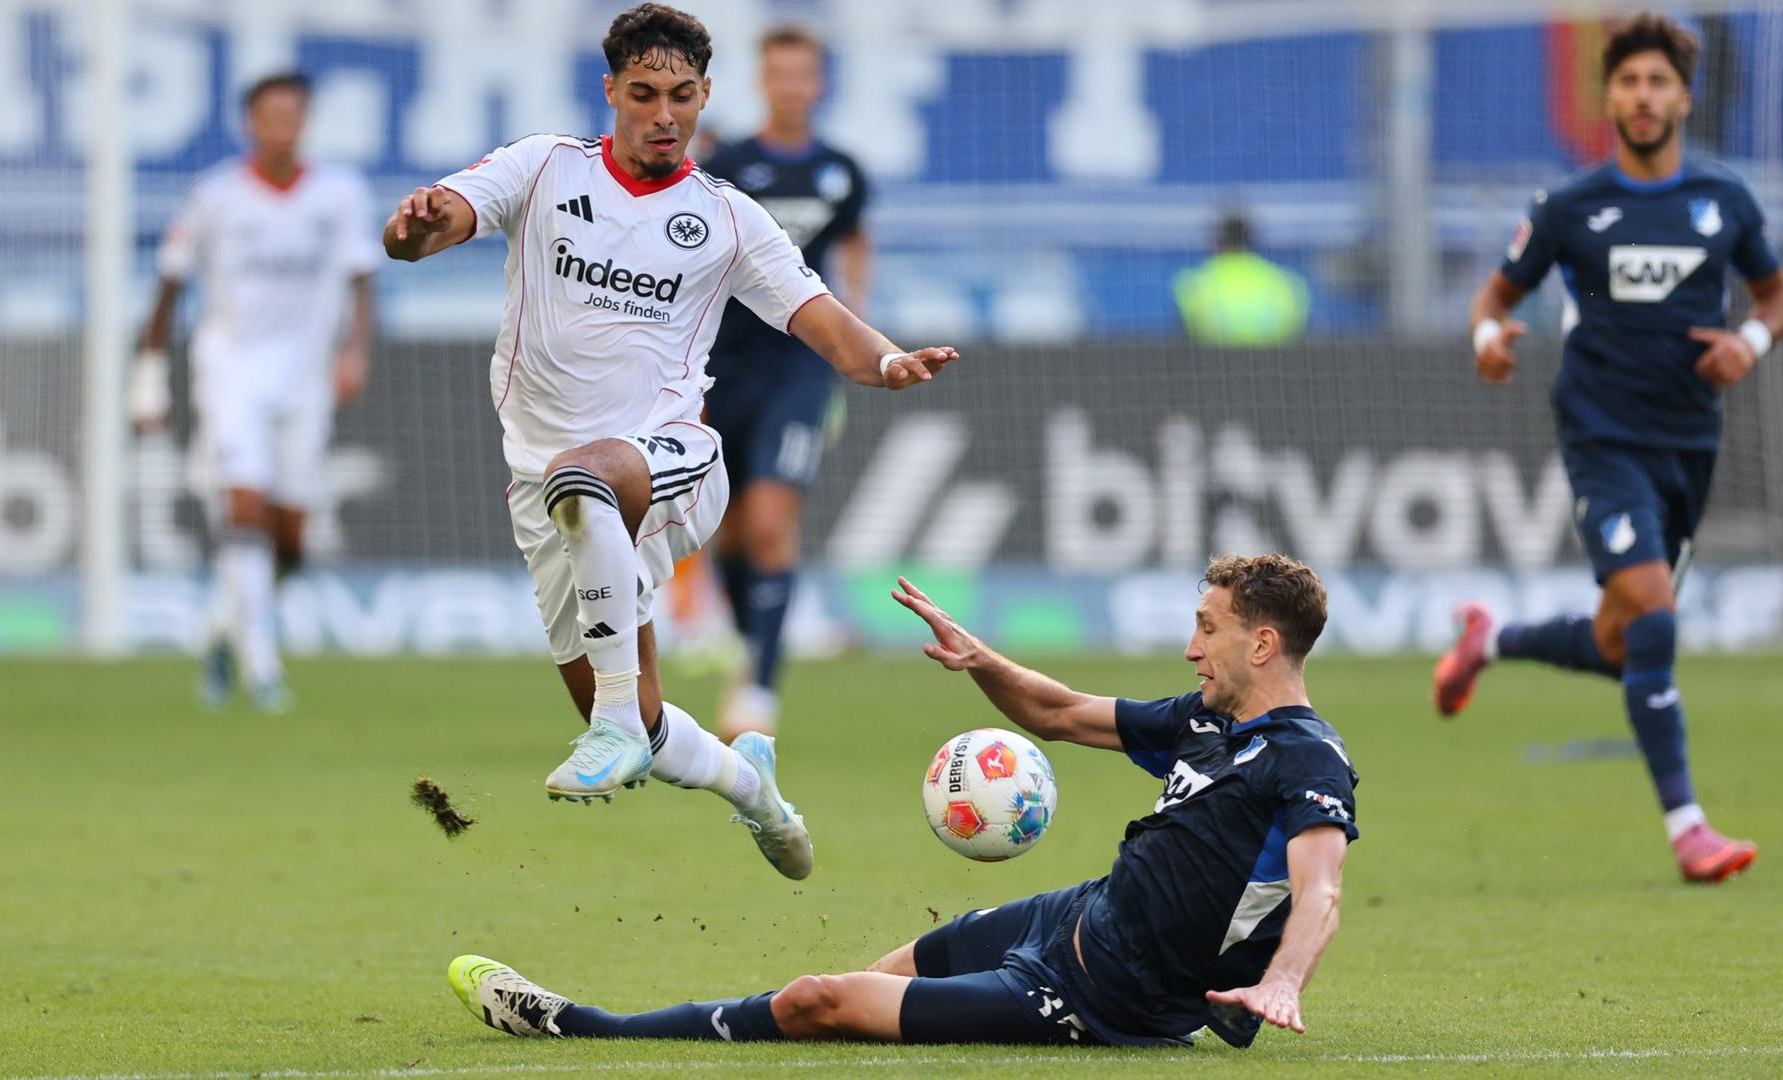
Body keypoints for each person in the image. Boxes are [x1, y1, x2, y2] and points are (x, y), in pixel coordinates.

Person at [380, 4, 956, 880]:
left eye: (681, 96)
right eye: (643, 93)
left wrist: (886, 361)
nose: (663, 114)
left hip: (674, 460)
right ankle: (751, 786)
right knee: (642, 719)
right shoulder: (543, 168)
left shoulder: (728, 217)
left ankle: (616, 725)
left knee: (587, 490)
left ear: (705, 96)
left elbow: (823, 320)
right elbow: (438, 220)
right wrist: (415, 228)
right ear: (610, 90)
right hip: (545, 492)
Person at [445, 554, 1357, 1048]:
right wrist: (980, 658)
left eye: (1209, 629)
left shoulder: (1305, 760)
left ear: (1264, 644)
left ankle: (587, 1028)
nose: (1192, 647)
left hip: (1100, 993)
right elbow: (1058, 713)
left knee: (820, 1001)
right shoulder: (1203, 720)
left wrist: (1280, 983)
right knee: (881, 973)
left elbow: (1319, 891)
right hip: (1082, 912)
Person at [1438, 13, 1780, 883]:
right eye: (1628, 81)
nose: (1642, 96)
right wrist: (1487, 339)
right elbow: (1493, 297)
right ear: (1610, 95)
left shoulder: (1724, 202)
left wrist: (1750, 343)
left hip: (1690, 442)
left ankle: (1491, 639)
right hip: (1602, 438)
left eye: (1657, 82)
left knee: (1627, 642)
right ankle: (1689, 828)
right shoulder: (1571, 207)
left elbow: (1774, 296)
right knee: (1657, 619)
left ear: (1683, 96)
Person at [130, 72, 379, 713]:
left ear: (305, 122)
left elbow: (360, 279)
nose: (282, 127)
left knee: (291, 539)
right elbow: (169, 284)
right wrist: (149, 379)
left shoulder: (341, 193)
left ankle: (223, 633)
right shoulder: (215, 195)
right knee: (244, 510)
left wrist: (354, 351)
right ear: (251, 124)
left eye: (294, 115)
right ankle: (264, 670)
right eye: (270, 116)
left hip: (305, 378)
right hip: (232, 372)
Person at [698, 25, 871, 740]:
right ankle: (752, 642)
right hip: (725, 366)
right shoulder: (730, 166)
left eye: (804, 73)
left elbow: (855, 240)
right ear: (764, 81)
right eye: (780, 74)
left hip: (799, 366)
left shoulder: (841, 172)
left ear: (819, 82)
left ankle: (760, 693)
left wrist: (853, 328)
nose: (792, 85)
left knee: (771, 522)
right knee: (729, 533)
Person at [1172, 211, 1310, 347]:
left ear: (1216, 240)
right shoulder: (1284, 281)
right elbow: (1297, 334)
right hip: (1277, 363)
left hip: (1216, 363)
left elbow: (1187, 336)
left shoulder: (1195, 283)